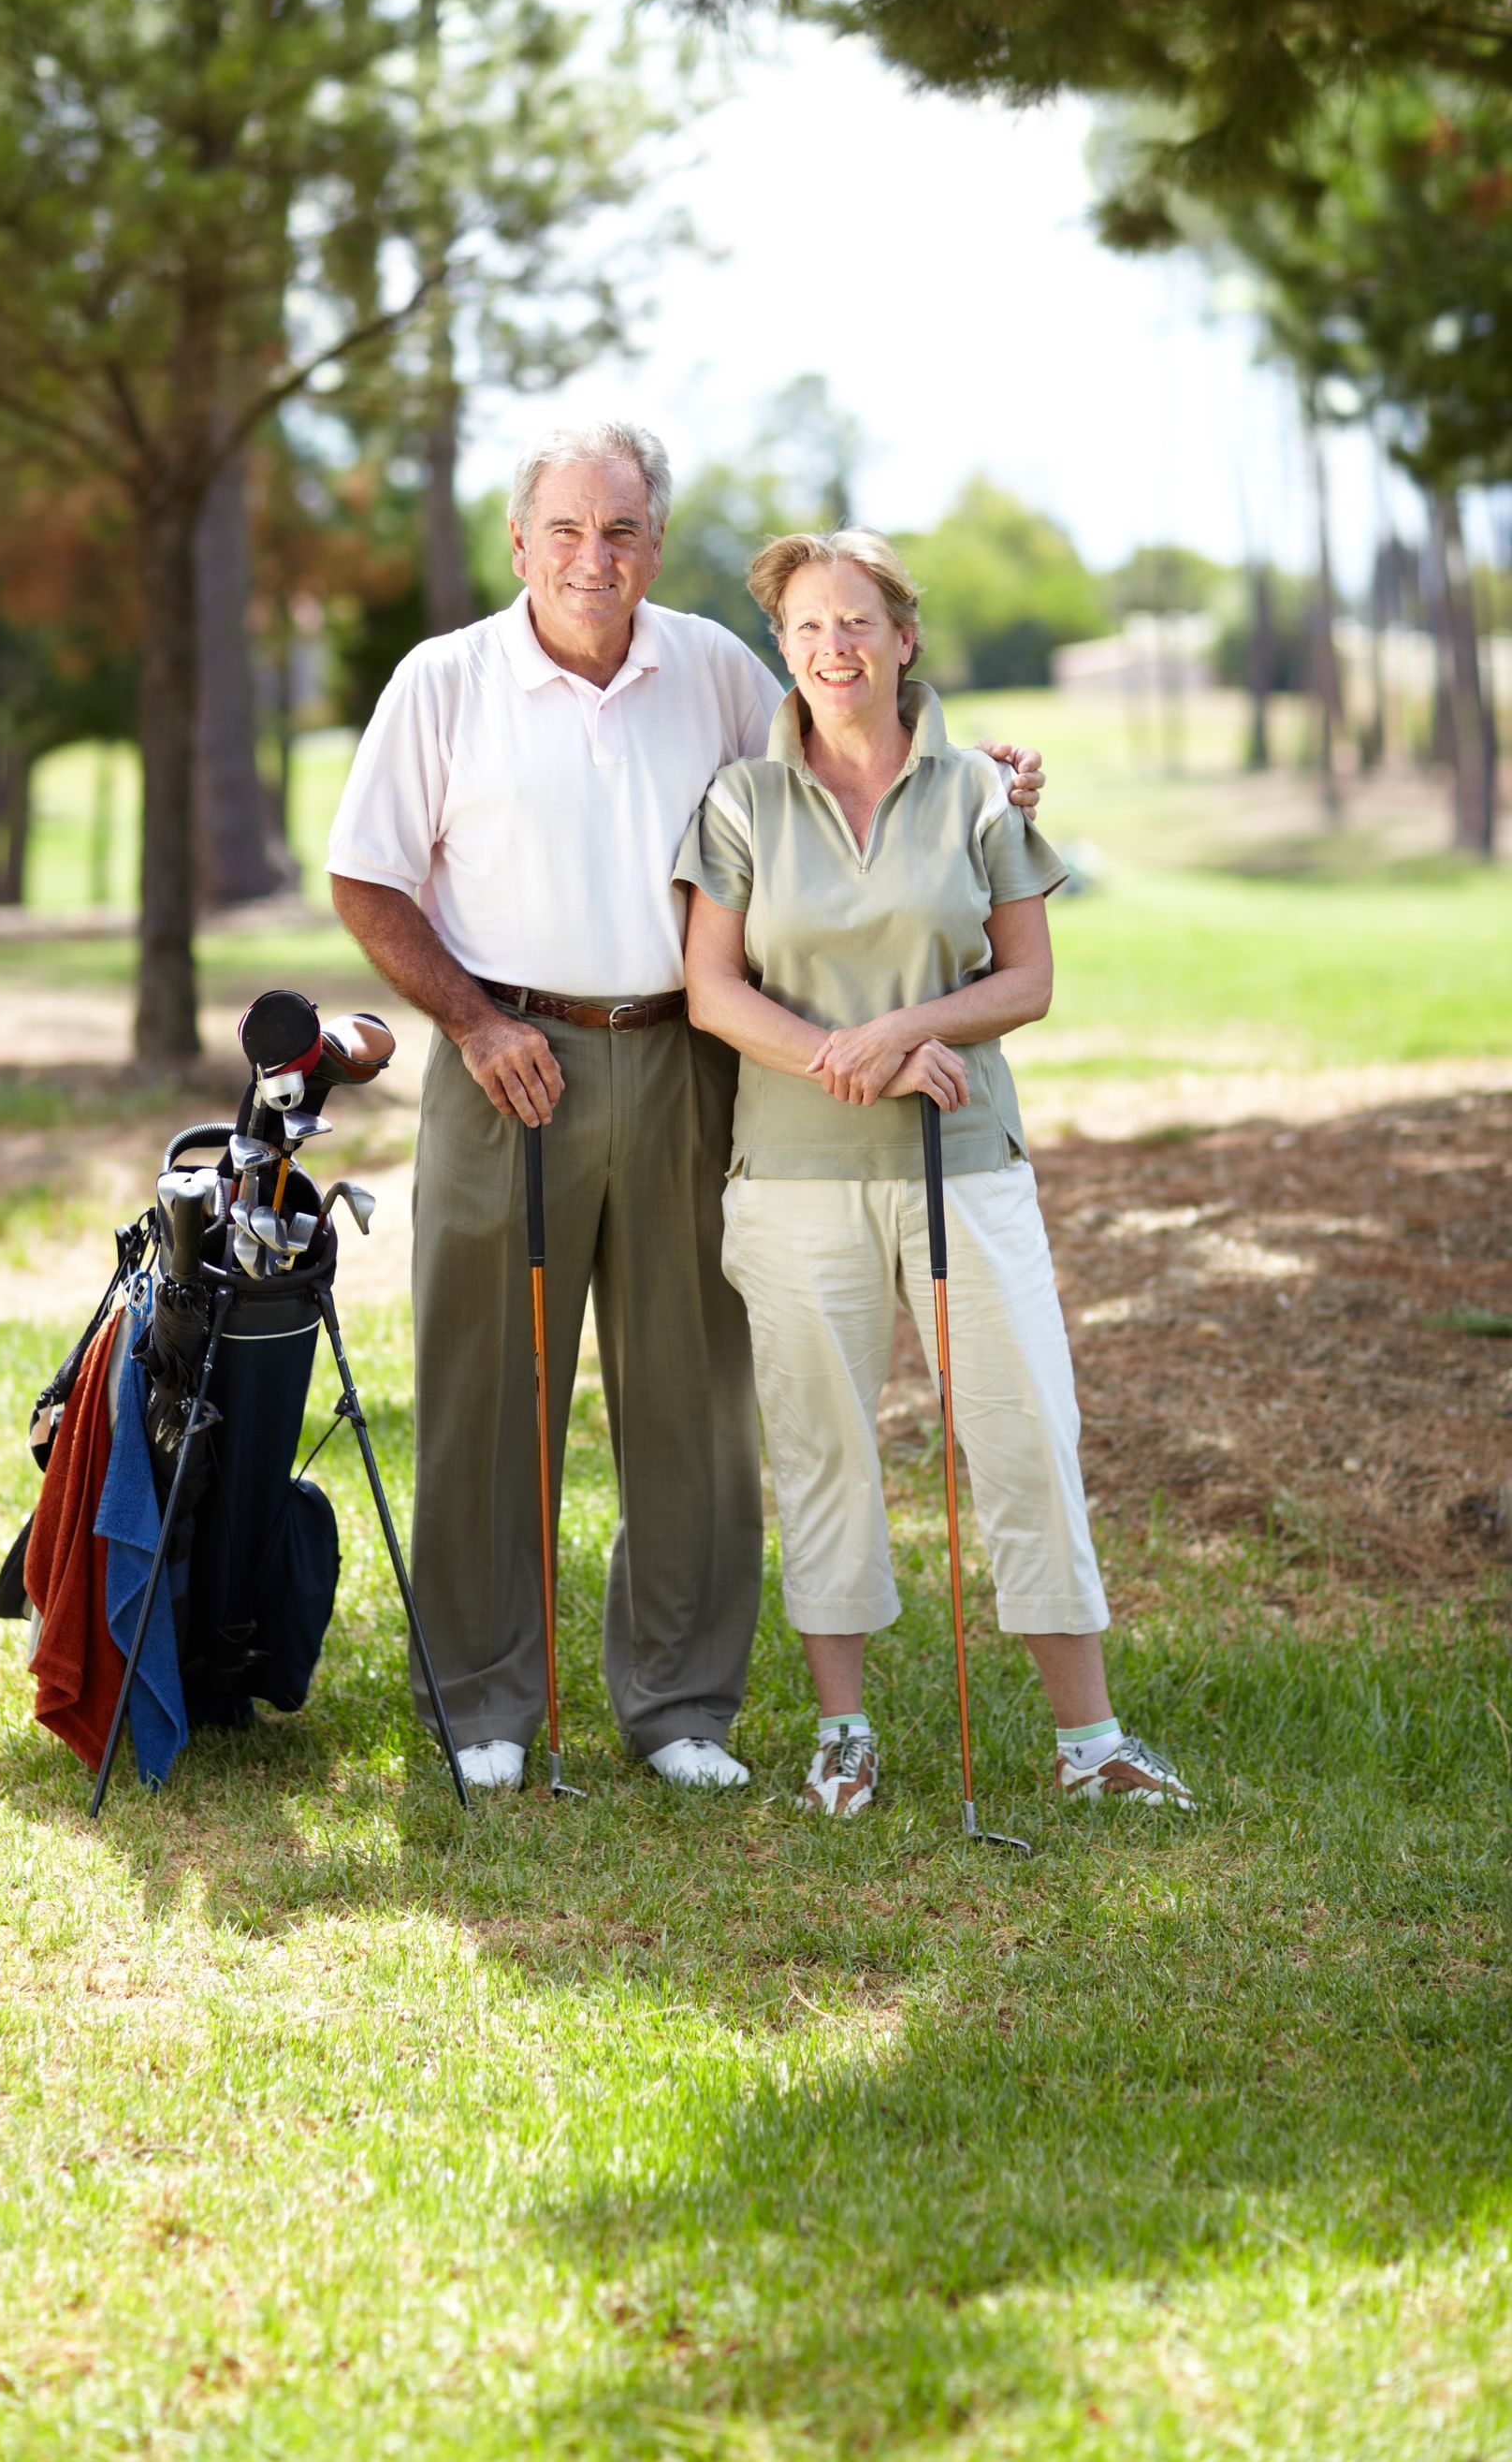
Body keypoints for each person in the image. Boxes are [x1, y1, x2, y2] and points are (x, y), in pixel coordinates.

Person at [326, 429, 1046, 1792]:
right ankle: (485, 1701)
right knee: (489, 1384)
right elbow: (368, 878)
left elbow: (846, 739)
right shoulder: (446, 679)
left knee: (695, 1389)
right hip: (505, 1062)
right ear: (521, 542)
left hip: (687, 1059)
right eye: (567, 532)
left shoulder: (715, 664)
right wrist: (474, 1024)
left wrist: (981, 781)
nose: (594, 560)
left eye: (622, 532)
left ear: (654, 541)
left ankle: (681, 1710)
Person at [677, 528, 1193, 1819]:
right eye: (804, 626)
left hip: (967, 1166)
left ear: (905, 638)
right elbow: (712, 989)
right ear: (780, 649)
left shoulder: (982, 792)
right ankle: (842, 1736)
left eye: (856, 621)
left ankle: (1093, 1741)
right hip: (790, 1175)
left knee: (1026, 1428)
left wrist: (908, 1034)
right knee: (822, 1446)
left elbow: (1027, 980)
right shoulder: (742, 799)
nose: (831, 648)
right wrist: (850, 1060)